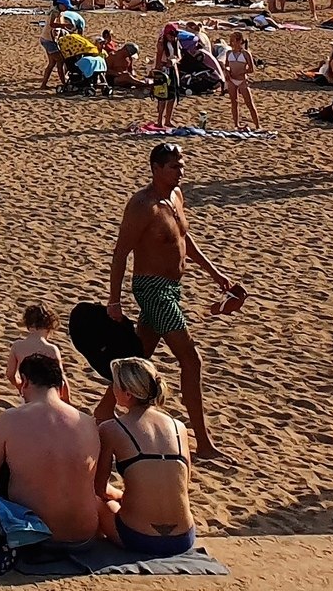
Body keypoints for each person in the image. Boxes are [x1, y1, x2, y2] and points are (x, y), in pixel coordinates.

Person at [106, 143, 240, 462]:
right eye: (174, 167)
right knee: (191, 361)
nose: (181, 171)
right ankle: (204, 445)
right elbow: (120, 252)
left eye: (182, 166)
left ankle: (100, 417)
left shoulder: (176, 197)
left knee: (137, 359)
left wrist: (216, 274)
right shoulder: (142, 206)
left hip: (172, 287)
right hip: (152, 289)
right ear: (156, 168)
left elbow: (183, 239)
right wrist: (114, 300)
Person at [0, 351, 102, 545]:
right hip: (84, 534)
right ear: (61, 385)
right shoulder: (88, 422)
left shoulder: (10, 419)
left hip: (32, 534)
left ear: (24, 381)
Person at [95, 357, 198, 558]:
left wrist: (121, 497)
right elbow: (183, 483)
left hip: (138, 537)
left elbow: (99, 488)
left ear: (127, 393)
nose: (112, 389)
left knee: (96, 502)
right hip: (184, 537)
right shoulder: (179, 428)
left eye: (114, 384)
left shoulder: (111, 429)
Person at [8, 303, 66, 396]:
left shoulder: (17, 346)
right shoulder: (52, 349)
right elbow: (61, 380)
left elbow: (10, 375)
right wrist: (66, 400)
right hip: (48, 395)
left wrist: (20, 386)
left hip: (27, 393)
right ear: (49, 328)